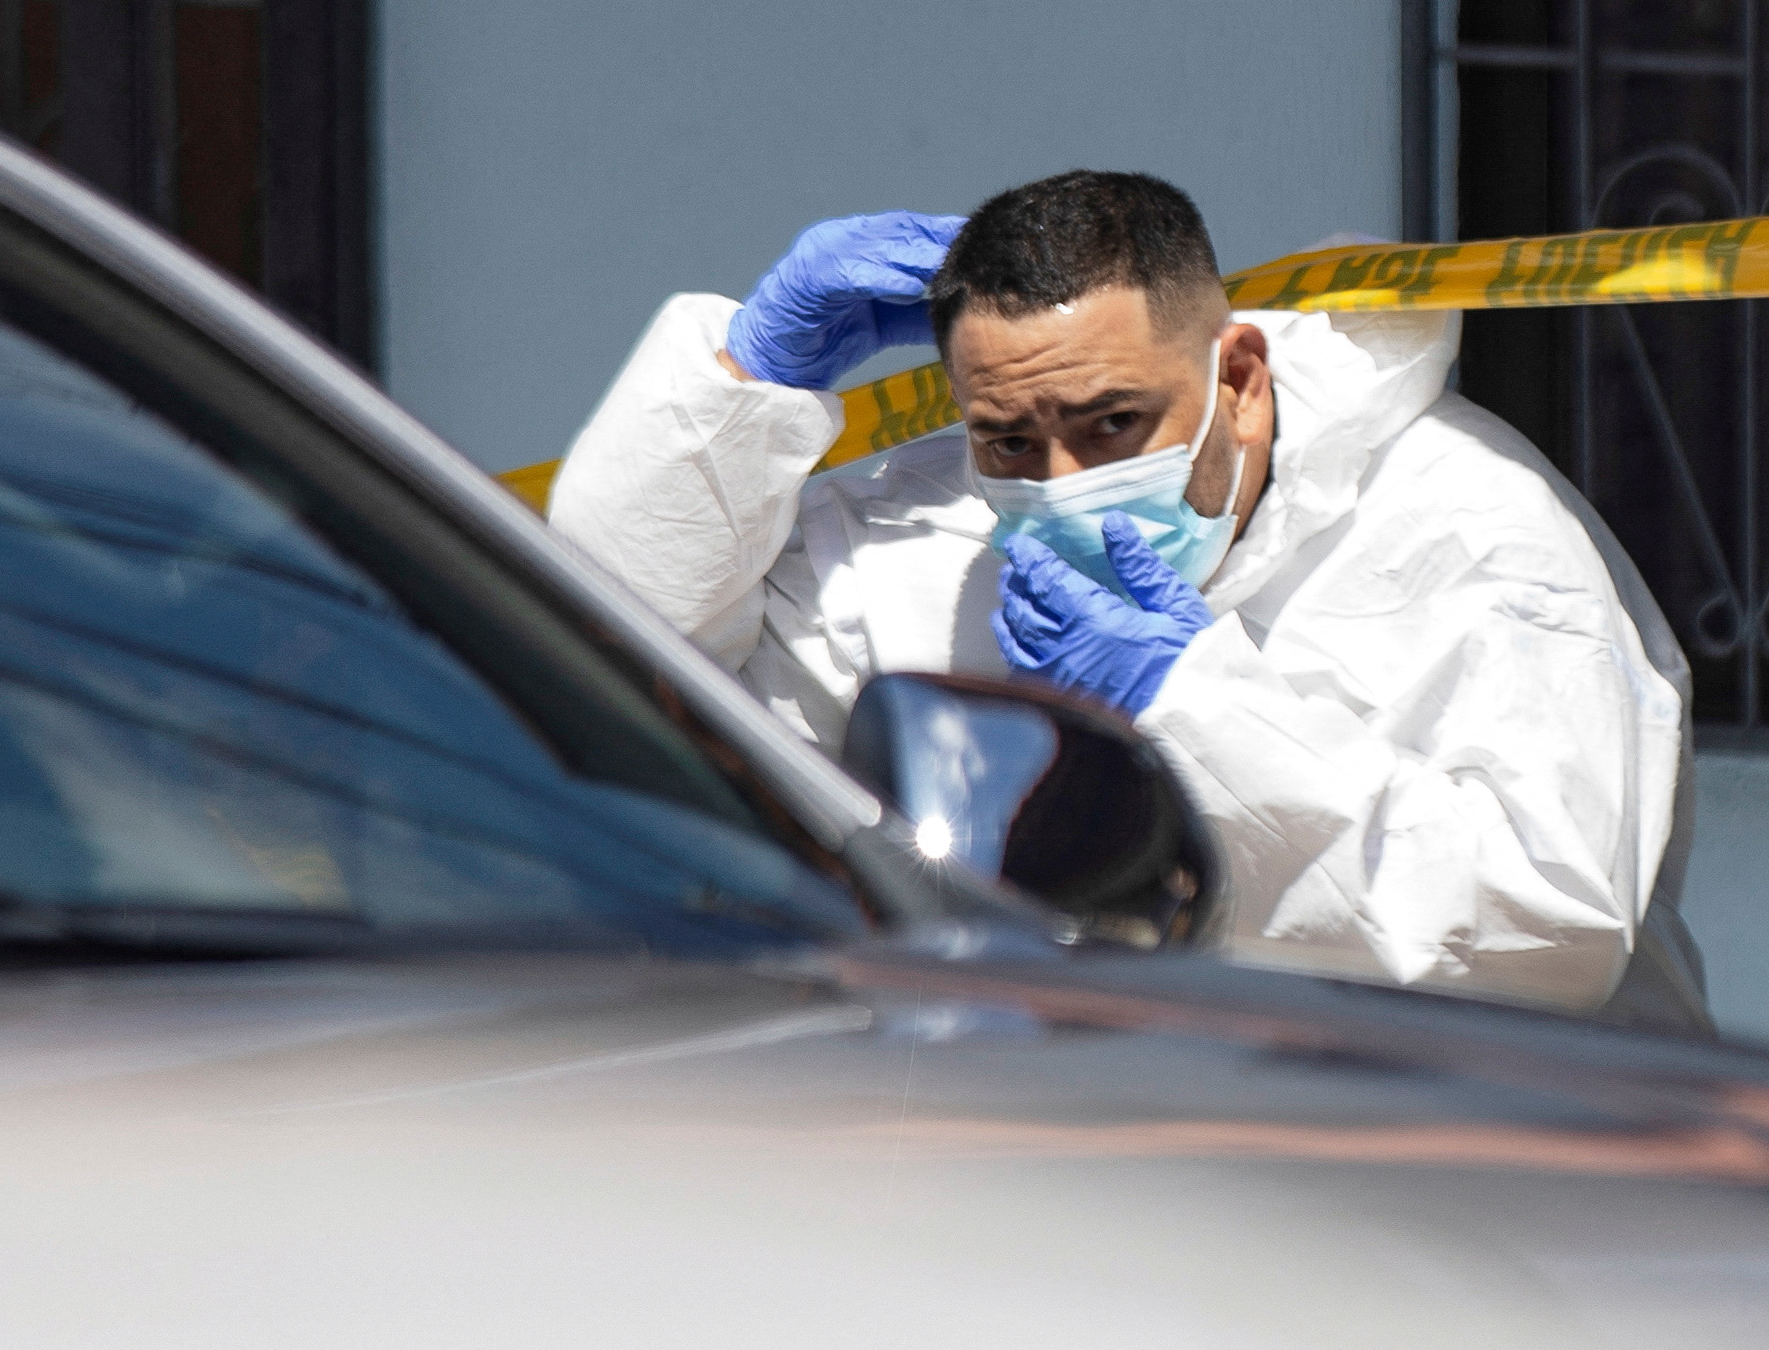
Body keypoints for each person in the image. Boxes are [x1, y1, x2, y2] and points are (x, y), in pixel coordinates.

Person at [551, 169, 1706, 1029]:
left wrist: (1193, 703)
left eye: (1114, 425)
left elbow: (1545, 927)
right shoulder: (924, 536)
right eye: (1008, 439)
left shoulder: (1471, 535)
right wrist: (742, 390)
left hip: (1471, 1196)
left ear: (1240, 380)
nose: (1063, 485)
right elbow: (626, 711)